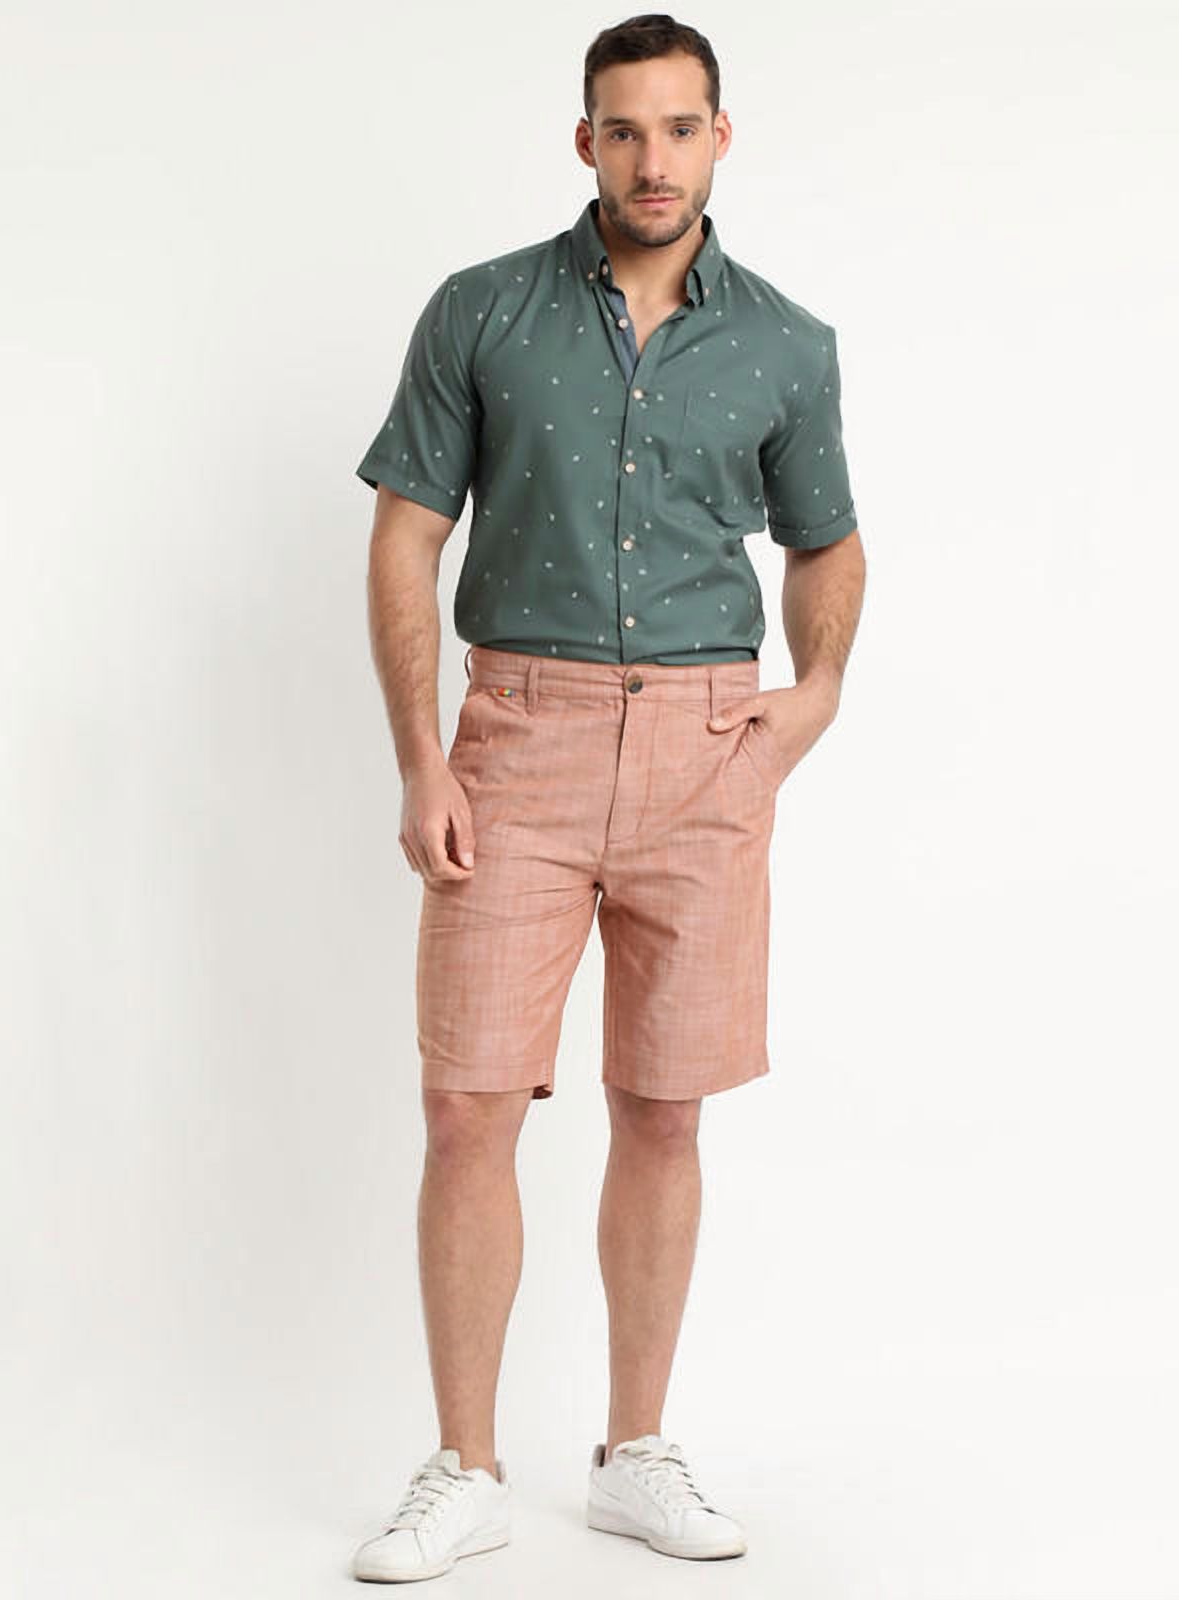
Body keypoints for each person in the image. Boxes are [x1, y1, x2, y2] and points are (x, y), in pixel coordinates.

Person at [350, 13, 864, 1584]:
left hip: (709, 747)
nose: (653, 159)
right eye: (624, 130)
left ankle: (636, 1451)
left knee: (664, 1105)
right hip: (520, 738)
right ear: (585, 141)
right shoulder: (484, 310)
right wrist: (422, 755)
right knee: (468, 1104)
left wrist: (817, 693)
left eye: (679, 128)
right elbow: (406, 536)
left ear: (721, 137)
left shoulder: (787, 343)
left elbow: (827, 542)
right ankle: (465, 1468)